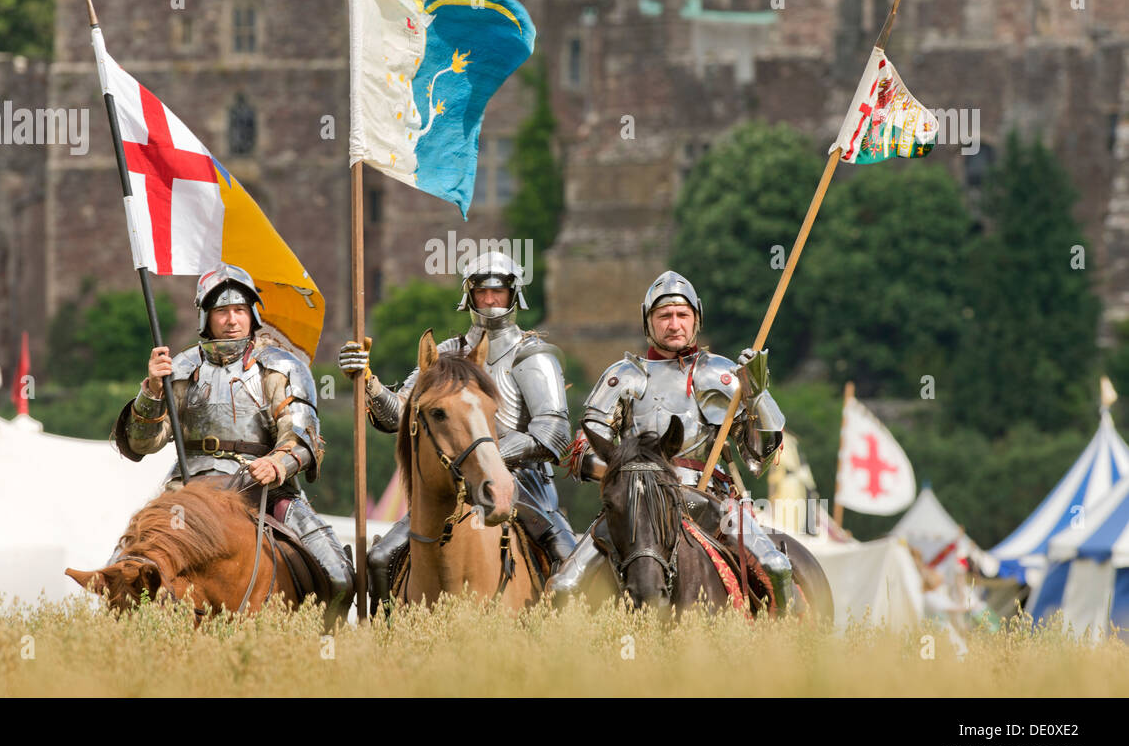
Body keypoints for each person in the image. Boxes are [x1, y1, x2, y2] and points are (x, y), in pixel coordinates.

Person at [338, 251, 576, 609]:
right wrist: (367, 381)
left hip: (523, 483)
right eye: (483, 292)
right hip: (451, 480)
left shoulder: (533, 355)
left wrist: (490, 454)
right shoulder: (447, 355)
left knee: (571, 567)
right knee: (380, 557)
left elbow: (554, 432)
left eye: (500, 292)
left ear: (514, 296)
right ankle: (384, 638)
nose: (491, 300)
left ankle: (569, 649)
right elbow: (399, 417)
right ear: (469, 296)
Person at [112, 264, 353, 615]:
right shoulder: (178, 368)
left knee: (339, 577)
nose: (231, 320)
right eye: (221, 311)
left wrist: (276, 463)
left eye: (239, 310)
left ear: (252, 313)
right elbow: (141, 443)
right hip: (189, 489)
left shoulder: (281, 366)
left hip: (262, 487)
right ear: (205, 317)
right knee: (124, 569)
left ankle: (329, 652)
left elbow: (303, 436)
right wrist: (150, 390)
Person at [548, 270, 795, 610]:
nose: (674, 323)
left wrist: (757, 395)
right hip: (636, 506)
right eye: (664, 315)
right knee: (565, 584)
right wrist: (631, 477)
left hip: (710, 500)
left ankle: (791, 646)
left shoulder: (721, 374)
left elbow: (759, 457)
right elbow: (582, 454)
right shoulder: (623, 376)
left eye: (682, 315)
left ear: (696, 319)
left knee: (776, 567)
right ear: (649, 322)